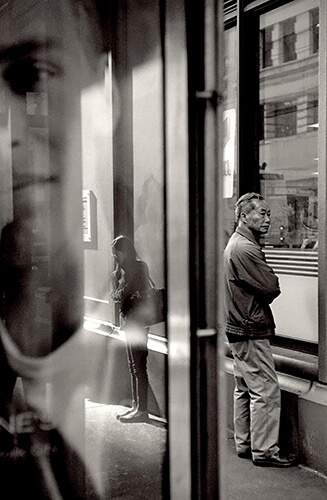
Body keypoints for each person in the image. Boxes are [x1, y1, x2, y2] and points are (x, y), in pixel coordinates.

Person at [224, 192, 297, 468]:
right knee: (265, 390)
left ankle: (245, 443)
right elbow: (271, 286)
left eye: (268, 214)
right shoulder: (245, 248)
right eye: (262, 213)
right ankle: (265, 451)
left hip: (238, 327)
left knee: (244, 387)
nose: (268, 218)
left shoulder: (236, 244)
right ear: (244, 216)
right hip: (250, 329)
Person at [110, 235, 151, 423]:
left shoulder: (138, 268)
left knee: (139, 366)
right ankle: (136, 406)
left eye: (117, 253)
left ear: (125, 251)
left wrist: (122, 291)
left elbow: (124, 294)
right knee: (132, 365)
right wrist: (121, 290)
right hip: (127, 322)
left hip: (139, 322)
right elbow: (116, 296)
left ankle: (142, 409)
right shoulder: (119, 272)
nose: (115, 257)